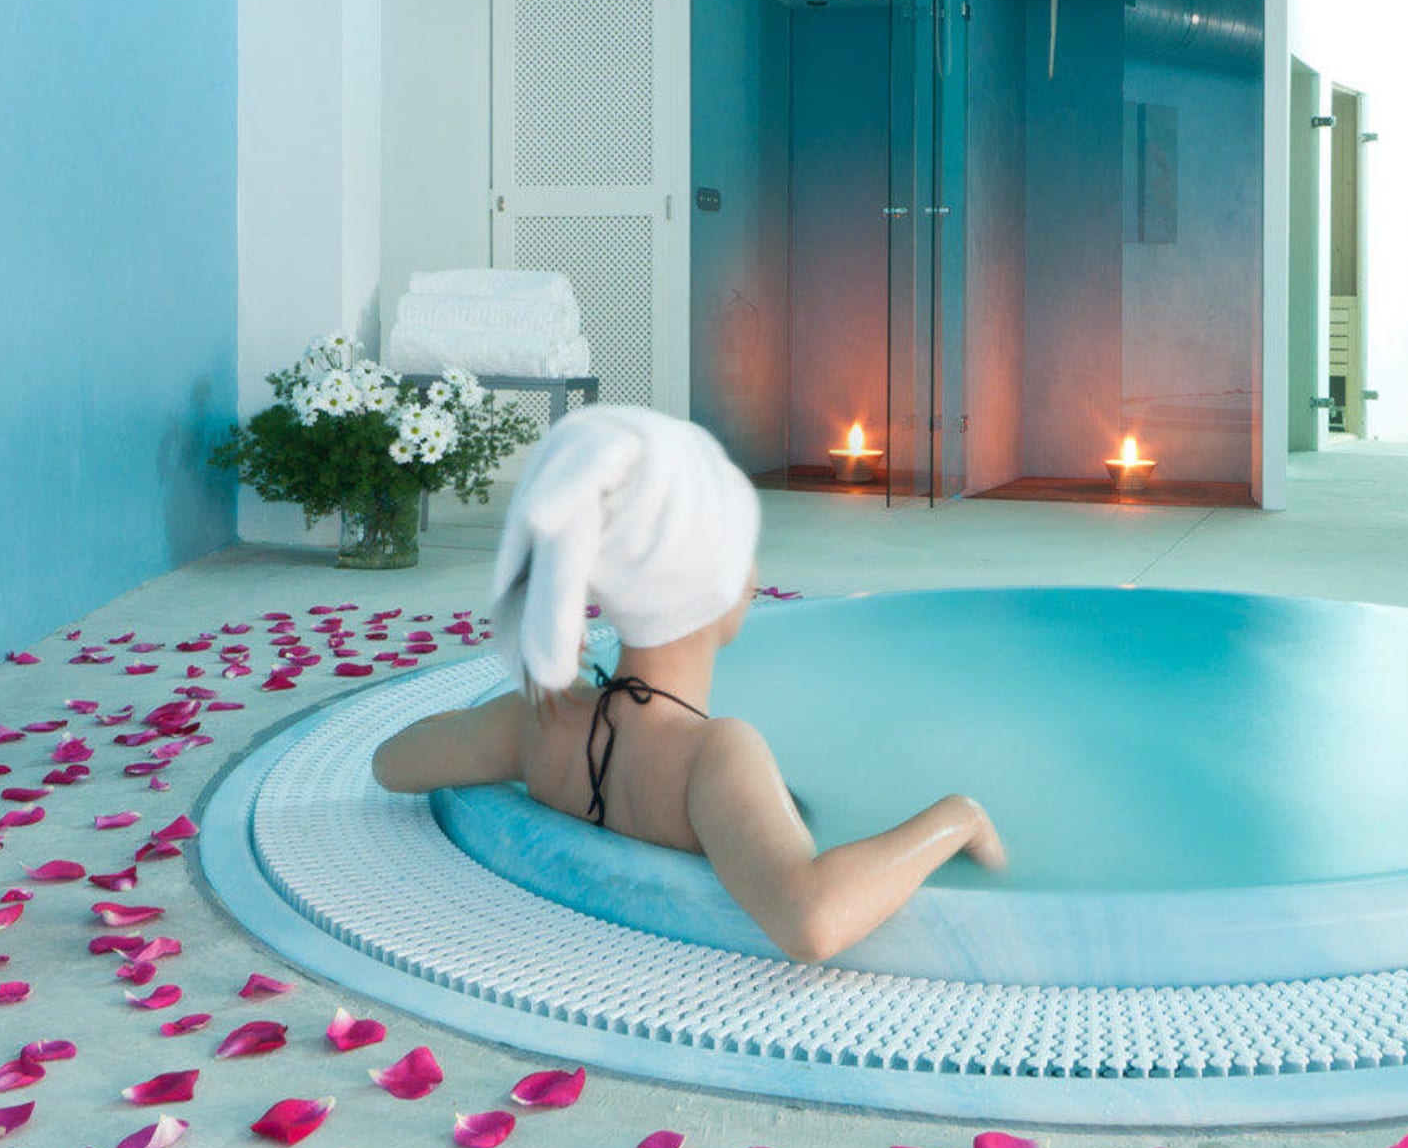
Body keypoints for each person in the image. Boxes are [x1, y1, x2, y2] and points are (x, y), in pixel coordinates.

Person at [370, 405, 1004, 965]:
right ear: (721, 584)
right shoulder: (714, 754)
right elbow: (811, 921)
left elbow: (391, 763)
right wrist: (958, 818)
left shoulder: (541, 721)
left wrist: (537, 695)